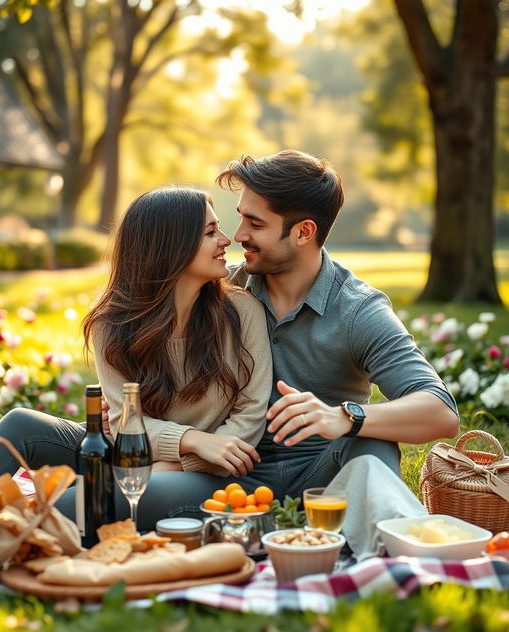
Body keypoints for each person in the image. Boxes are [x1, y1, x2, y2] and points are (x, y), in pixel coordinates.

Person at [101, 150, 460, 530]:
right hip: (227, 477)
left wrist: (343, 417)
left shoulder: (357, 310)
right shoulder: (222, 288)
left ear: (303, 232)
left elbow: (440, 412)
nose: (238, 236)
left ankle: (402, 545)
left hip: (323, 480)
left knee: (372, 442)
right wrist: (136, 417)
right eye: (239, 218)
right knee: (101, 498)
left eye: (255, 223)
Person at [0, 187, 272, 554]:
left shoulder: (241, 313)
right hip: (128, 455)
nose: (226, 240)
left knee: (73, 504)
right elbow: (125, 420)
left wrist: (178, 465)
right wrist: (190, 441)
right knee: (20, 425)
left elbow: (250, 417)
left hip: (205, 475)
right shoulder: (113, 323)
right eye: (210, 232)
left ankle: (13, 529)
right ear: (170, 245)